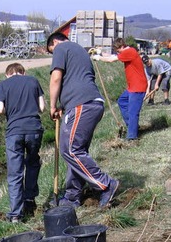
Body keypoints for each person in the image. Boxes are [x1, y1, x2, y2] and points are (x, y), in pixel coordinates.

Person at [46, 32, 120, 208]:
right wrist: (64, 103)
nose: (53, 54)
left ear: (54, 42)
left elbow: (56, 78)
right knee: (77, 152)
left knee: (70, 150)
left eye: (51, 50)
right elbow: (76, 79)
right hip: (91, 104)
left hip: (82, 105)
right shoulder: (80, 52)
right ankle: (72, 196)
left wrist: (52, 106)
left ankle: (106, 184)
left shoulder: (61, 47)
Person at [0, 63, 45, 222]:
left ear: (7, 74)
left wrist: (12, 114)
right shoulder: (33, 81)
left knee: (15, 172)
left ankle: (16, 214)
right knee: (33, 162)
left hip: (14, 131)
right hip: (34, 129)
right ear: (23, 72)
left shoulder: (1, 85)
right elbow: (42, 107)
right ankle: (29, 199)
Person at [93, 37, 148, 141]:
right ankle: (133, 126)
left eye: (118, 50)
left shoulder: (130, 52)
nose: (118, 52)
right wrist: (101, 53)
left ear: (122, 46)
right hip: (132, 87)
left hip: (138, 87)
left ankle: (132, 137)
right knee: (122, 101)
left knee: (133, 112)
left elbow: (111, 59)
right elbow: (114, 56)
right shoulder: (127, 51)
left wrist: (98, 58)